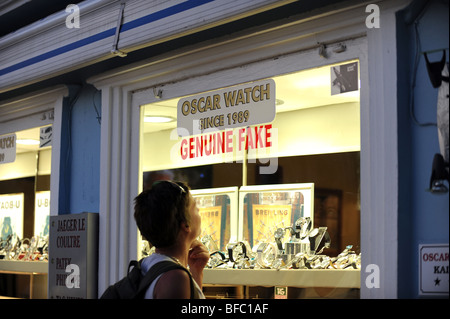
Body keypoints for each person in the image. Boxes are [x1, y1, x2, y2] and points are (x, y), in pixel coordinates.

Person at [134, 180, 209, 299]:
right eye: (195, 207)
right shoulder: (175, 278)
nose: (199, 211)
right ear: (186, 225)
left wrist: (196, 273)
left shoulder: (149, 265)